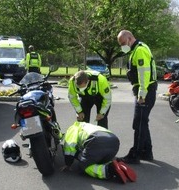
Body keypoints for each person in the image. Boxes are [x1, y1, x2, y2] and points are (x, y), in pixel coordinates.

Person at [117, 30, 158, 164]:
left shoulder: (139, 50)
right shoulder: (137, 49)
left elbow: (143, 74)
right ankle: (147, 152)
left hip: (145, 92)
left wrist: (141, 94)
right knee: (142, 122)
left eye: (123, 43)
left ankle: (136, 154)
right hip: (146, 91)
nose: (122, 46)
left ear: (129, 38)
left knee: (139, 123)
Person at [60, 121, 137, 184]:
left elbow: (69, 147)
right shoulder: (86, 126)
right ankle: (118, 166)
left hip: (97, 141)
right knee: (97, 161)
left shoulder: (72, 129)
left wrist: (68, 164)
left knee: (83, 166)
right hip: (114, 142)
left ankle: (110, 169)